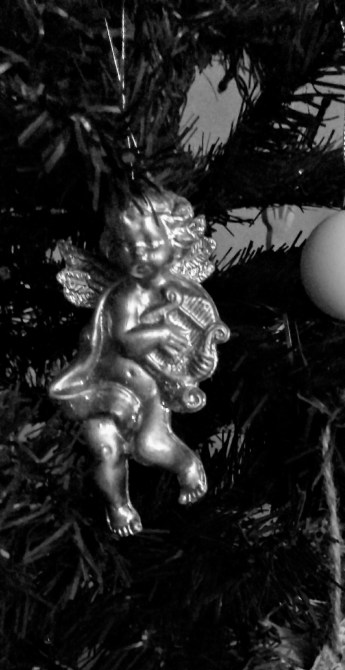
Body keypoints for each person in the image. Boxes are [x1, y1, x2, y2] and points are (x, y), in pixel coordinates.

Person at [50, 188, 229, 537]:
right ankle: (117, 505)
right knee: (103, 444)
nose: (139, 254)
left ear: (176, 242)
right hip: (105, 389)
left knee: (150, 445)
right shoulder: (126, 296)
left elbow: (193, 335)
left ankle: (187, 464)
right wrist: (160, 333)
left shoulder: (183, 293)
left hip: (148, 393)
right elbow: (126, 340)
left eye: (151, 243)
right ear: (114, 249)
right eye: (128, 246)